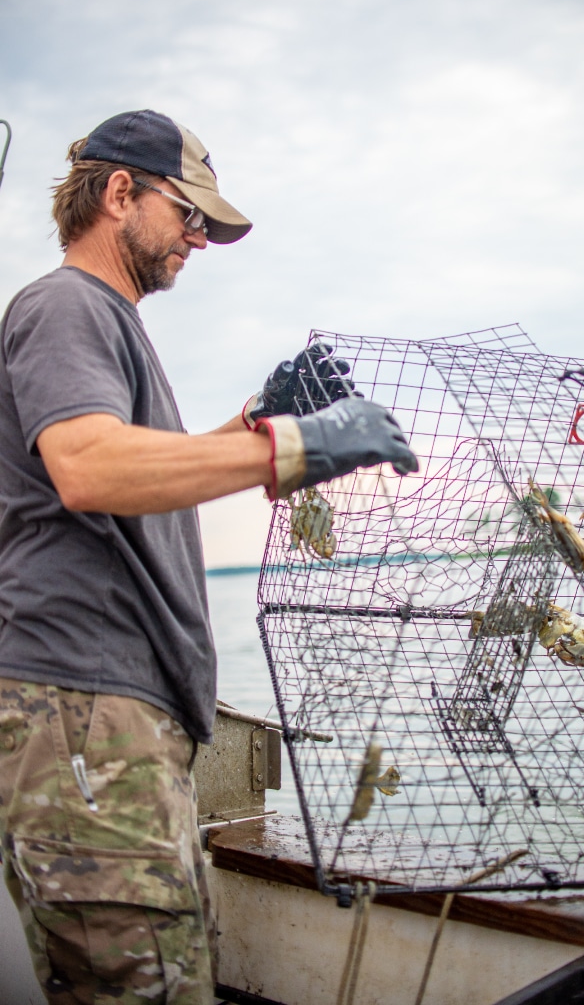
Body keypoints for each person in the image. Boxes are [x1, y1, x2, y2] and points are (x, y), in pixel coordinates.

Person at [0, 109, 418, 1004]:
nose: (198, 238)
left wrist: (256, 419)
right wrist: (294, 451)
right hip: (83, 716)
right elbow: (90, 468)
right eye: (187, 213)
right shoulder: (64, 304)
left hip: (116, 723)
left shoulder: (108, 321)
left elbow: (142, 476)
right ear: (120, 194)